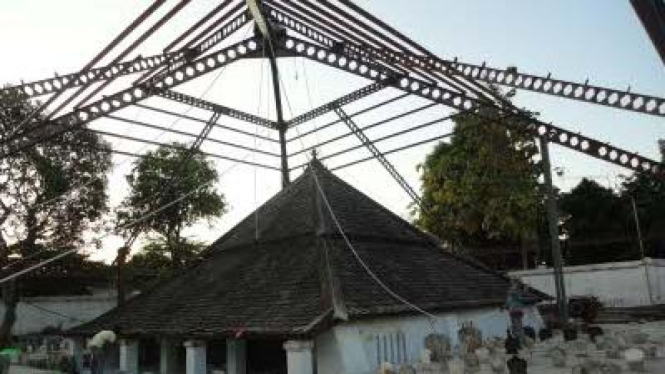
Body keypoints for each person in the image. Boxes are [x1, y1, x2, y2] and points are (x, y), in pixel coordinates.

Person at [505, 278, 535, 346]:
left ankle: (521, 343)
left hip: (516, 311)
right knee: (515, 328)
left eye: (513, 282)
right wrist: (506, 306)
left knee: (518, 327)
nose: (512, 284)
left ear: (516, 283)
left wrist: (525, 289)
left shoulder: (514, 291)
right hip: (513, 311)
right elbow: (509, 301)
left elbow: (519, 297)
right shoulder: (513, 291)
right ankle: (519, 342)